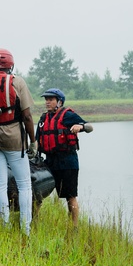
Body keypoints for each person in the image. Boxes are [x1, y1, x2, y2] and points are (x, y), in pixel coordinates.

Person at [0, 48, 36, 234]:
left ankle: (5, 226)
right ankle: (25, 229)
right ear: (10, 65)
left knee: (0, 183)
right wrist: (33, 141)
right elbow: (27, 116)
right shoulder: (17, 81)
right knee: (24, 185)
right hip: (14, 139)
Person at [36, 87, 93, 226]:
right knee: (38, 193)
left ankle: (74, 227)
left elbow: (89, 126)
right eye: (46, 99)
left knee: (70, 196)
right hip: (49, 162)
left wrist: (80, 127)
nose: (47, 102)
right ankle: (34, 222)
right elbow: (37, 140)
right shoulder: (43, 118)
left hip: (68, 161)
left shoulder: (68, 115)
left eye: (51, 99)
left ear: (59, 102)